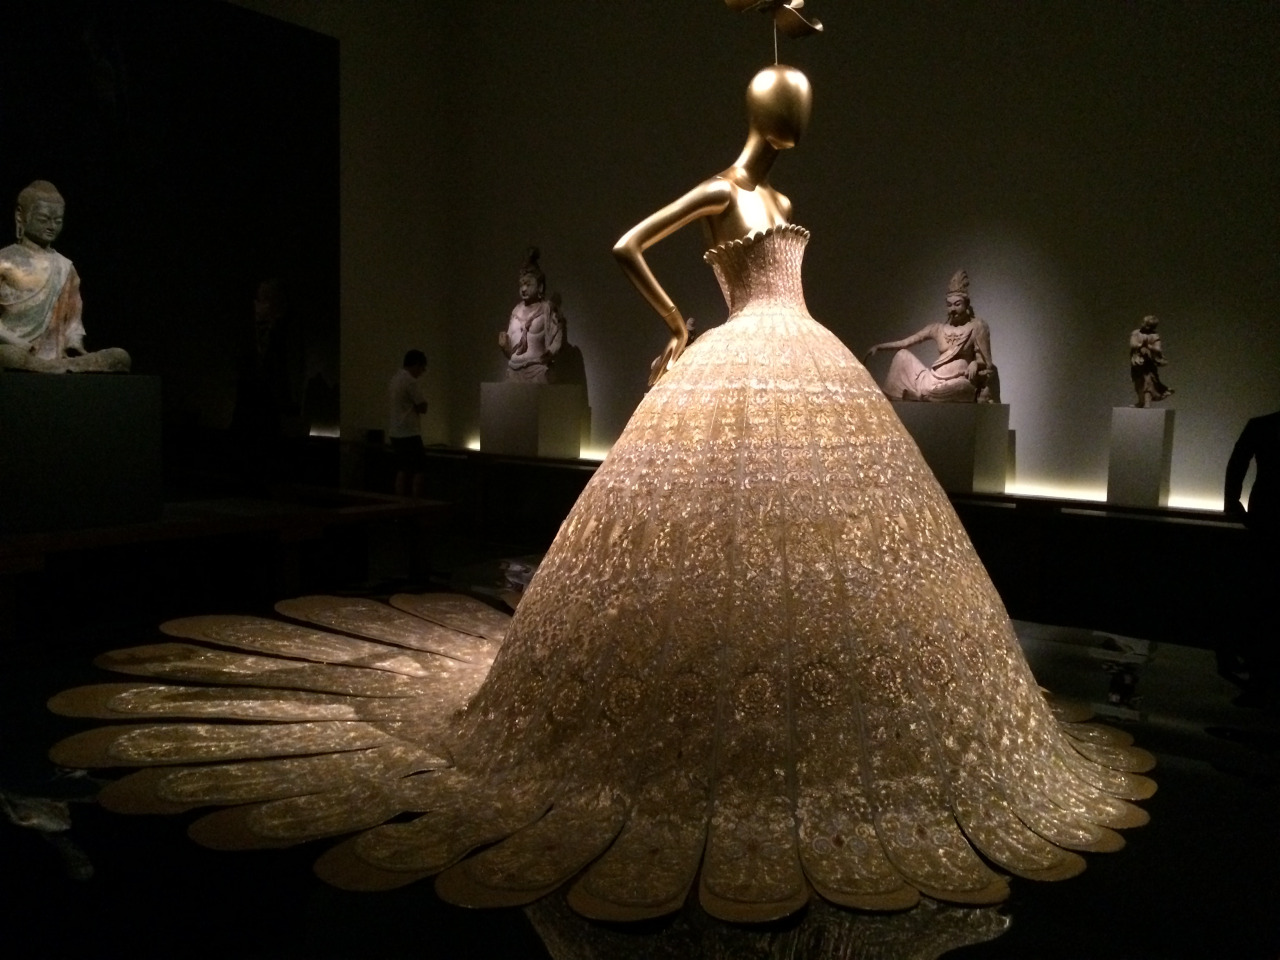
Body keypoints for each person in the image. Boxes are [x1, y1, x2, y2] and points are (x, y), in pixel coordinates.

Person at [48, 42, 1155, 927]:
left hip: (806, 356)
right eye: (791, 112)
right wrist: (674, 325)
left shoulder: (775, 194)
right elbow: (631, 244)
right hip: (735, 349)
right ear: (769, 115)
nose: (797, 129)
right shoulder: (725, 186)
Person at [0, 180, 129, 373]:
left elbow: (73, 320)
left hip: (55, 355)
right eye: (43, 219)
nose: (51, 226)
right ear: (21, 216)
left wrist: (74, 342)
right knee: (9, 355)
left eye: (58, 221)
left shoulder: (65, 266)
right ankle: (49, 368)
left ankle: (52, 367)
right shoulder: (4, 260)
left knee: (120, 356)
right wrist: (16, 342)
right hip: (17, 350)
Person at [862, 270, 999, 402]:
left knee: (964, 389)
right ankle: (923, 394)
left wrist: (975, 363)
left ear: (966, 304)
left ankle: (921, 396)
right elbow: (906, 342)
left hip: (957, 382)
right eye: (949, 305)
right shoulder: (937, 328)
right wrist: (879, 347)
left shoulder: (977, 327)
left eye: (957, 304)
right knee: (902, 355)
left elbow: (987, 364)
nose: (953, 309)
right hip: (931, 379)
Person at [1221, 410, 1280, 703]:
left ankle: (1260, 675)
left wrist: (1232, 503)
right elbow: (1238, 463)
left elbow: (1237, 463)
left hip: (1266, 511)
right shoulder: (1262, 426)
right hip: (1266, 512)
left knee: (1262, 590)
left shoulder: (1262, 425)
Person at [498, 247, 563, 383]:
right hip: (514, 369)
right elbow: (511, 348)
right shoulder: (516, 311)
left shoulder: (546, 309)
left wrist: (550, 352)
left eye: (528, 284)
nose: (523, 289)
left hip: (538, 368)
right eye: (521, 284)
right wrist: (505, 345)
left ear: (540, 287)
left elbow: (557, 336)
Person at [387, 349, 428, 497]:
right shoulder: (410, 381)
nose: (421, 372)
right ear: (416, 365)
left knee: (402, 468)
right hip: (409, 432)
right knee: (419, 468)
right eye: (422, 368)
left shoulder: (395, 379)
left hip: (395, 431)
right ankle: (416, 502)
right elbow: (423, 406)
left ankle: (399, 502)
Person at [1129, 315, 1174, 408]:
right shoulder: (1136, 333)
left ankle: (1147, 403)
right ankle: (1141, 401)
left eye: (1147, 325)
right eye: (1144, 323)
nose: (1144, 325)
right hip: (1137, 362)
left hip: (1148, 362)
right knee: (1138, 382)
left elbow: (1158, 348)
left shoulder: (1154, 336)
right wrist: (1141, 345)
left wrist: (1148, 346)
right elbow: (1133, 344)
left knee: (1148, 382)